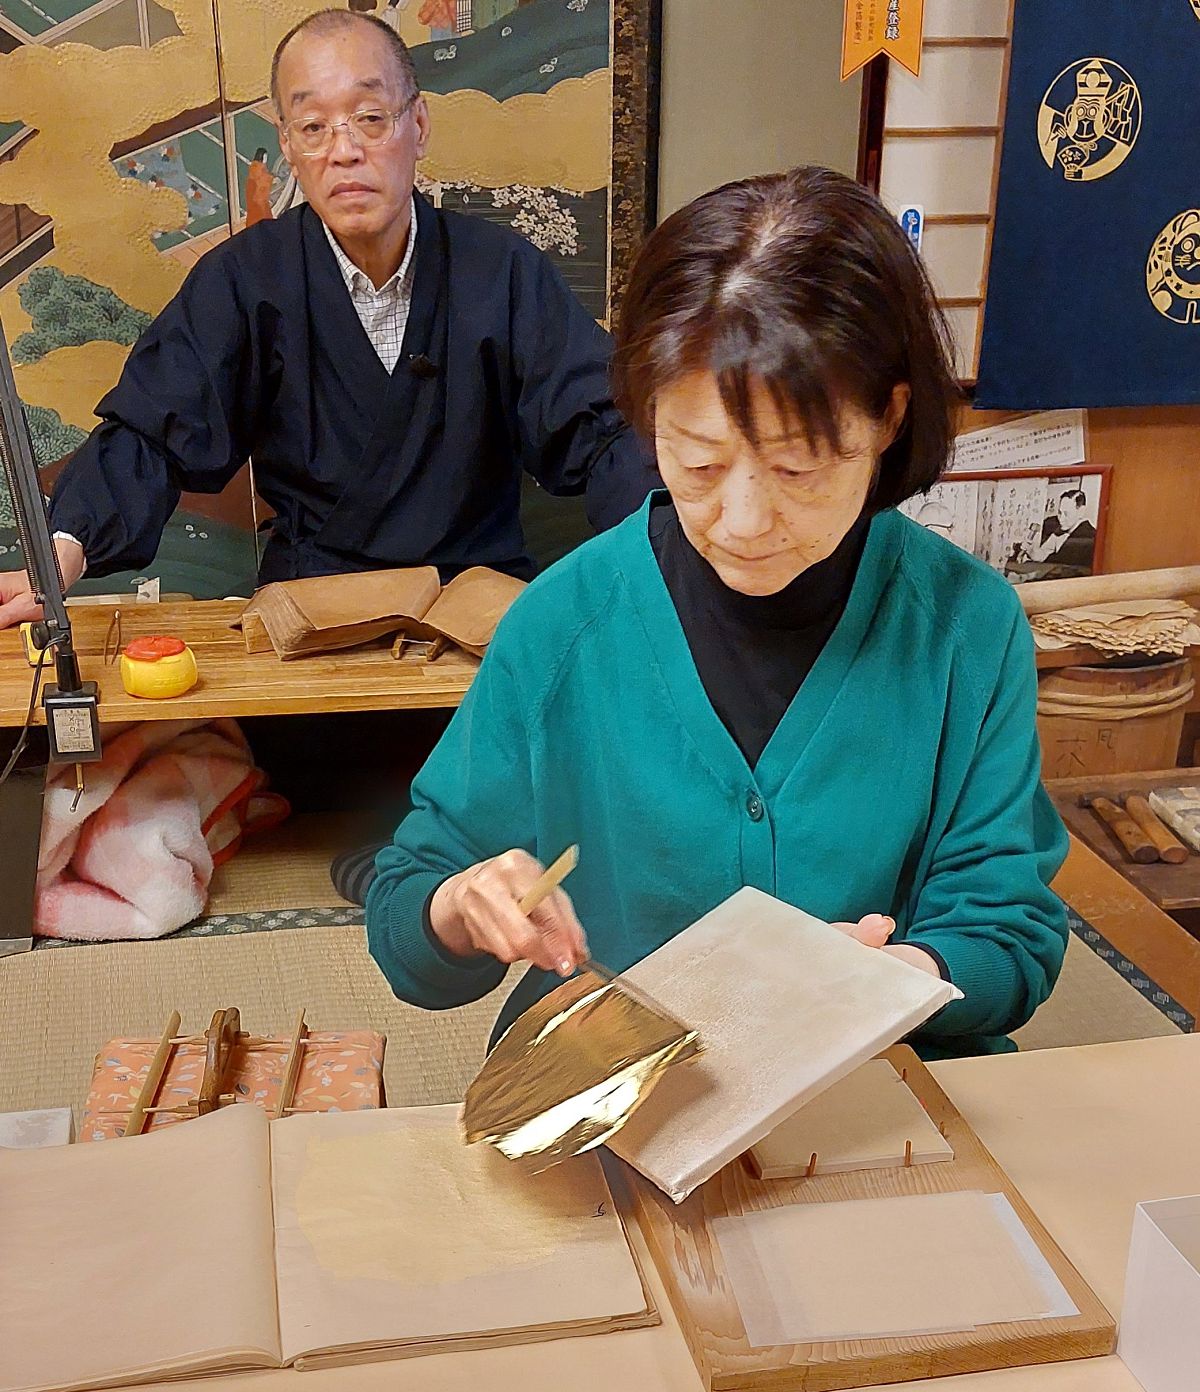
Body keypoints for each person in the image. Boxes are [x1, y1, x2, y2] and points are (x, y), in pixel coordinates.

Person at [363, 167, 1070, 1062]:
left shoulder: (966, 627)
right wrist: (459, 908)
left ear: (889, 418)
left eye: (798, 469)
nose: (741, 524)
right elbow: (406, 907)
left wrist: (902, 977)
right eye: (695, 463)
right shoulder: (564, 624)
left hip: (878, 1085)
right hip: (619, 1091)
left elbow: (1007, 928)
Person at [0, 8, 651, 631]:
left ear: (418, 125)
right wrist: (67, 546)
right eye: (313, 127)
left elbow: (601, 430)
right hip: (313, 611)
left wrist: (674, 538)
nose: (343, 151)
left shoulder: (503, 272)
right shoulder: (245, 280)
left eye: (370, 118)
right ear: (288, 143)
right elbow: (151, 432)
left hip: (476, 610)